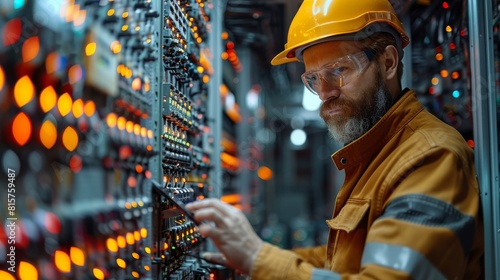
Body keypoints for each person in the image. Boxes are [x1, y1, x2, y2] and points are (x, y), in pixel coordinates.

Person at [186, 0, 484, 278]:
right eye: (313, 79)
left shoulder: (431, 157)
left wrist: (259, 258)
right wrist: (250, 253)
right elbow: (342, 257)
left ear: (389, 62)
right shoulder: (378, 154)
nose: (325, 92)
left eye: (338, 70)